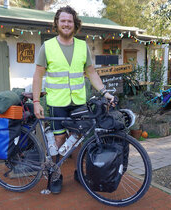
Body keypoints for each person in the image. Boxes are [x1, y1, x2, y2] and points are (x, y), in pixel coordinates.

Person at [32, 5, 114, 194]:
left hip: (78, 102)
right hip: (56, 103)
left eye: (70, 21)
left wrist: (104, 92)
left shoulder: (82, 46)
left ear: (75, 24)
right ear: (57, 23)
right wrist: (36, 102)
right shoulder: (48, 46)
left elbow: (91, 73)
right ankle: (56, 175)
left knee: (79, 139)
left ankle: (80, 172)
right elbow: (37, 75)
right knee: (59, 139)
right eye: (63, 21)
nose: (66, 24)